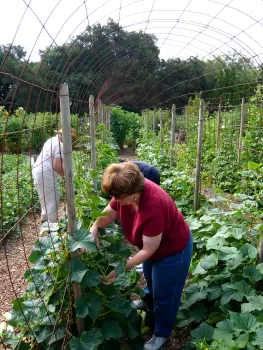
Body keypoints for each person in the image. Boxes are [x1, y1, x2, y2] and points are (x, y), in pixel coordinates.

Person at [90, 162, 193, 350]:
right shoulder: (125, 192)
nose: (115, 200)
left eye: (119, 198)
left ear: (134, 192)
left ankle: (162, 333)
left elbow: (148, 250)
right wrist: (95, 226)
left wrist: (120, 269)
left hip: (173, 250)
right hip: (154, 248)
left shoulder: (154, 204)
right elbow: (110, 212)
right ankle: (148, 302)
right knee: (149, 275)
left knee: (165, 294)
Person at [32, 128, 77, 225]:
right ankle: (52, 226)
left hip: (38, 170)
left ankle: (45, 219)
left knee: (44, 197)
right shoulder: (59, 145)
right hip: (45, 173)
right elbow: (56, 166)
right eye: (70, 137)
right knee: (53, 200)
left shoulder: (52, 140)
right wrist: (65, 176)